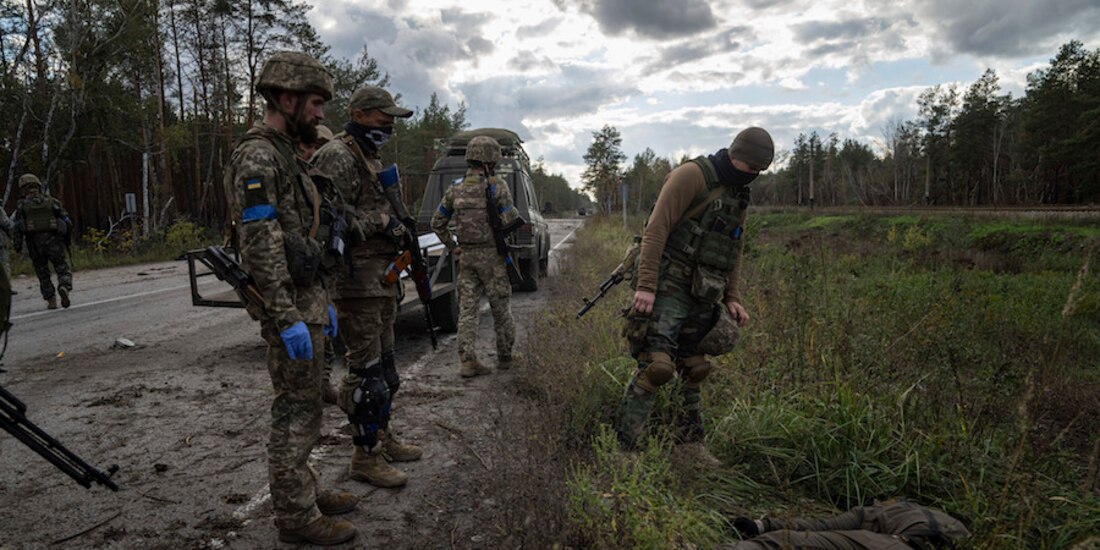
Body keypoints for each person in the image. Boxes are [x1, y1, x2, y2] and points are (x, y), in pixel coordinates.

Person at [223, 50, 356, 546]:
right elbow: (261, 241)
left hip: (306, 299)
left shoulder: (284, 154)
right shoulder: (259, 155)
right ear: (285, 97)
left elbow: (301, 235)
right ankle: (296, 517)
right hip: (289, 307)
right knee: (294, 412)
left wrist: (324, 303)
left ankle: (307, 491)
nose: (322, 114)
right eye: (315, 103)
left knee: (309, 408)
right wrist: (284, 315)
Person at [617, 128, 774, 454]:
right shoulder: (692, 175)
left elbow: (735, 247)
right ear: (736, 157)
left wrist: (733, 297)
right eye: (752, 169)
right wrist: (646, 287)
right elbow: (655, 230)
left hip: (704, 292)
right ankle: (626, 451)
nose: (754, 177)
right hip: (667, 284)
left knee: (695, 367)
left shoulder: (739, 191)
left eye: (760, 173)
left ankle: (689, 447)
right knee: (657, 367)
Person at [310, 85, 422, 489]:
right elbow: (324, 217)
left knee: (387, 373)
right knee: (366, 375)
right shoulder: (337, 156)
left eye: (392, 117)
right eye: (382, 116)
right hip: (356, 282)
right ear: (358, 114)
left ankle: (382, 436)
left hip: (382, 280)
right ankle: (364, 456)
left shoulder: (368, 155)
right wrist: (380, 222)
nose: (390, 124)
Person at [430, 135, 520, 377]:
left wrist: (452, 246)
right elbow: (512, 219)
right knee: (501, 307)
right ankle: (505, 357)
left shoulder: (455, 188)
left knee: (467, 310)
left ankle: (467, 361)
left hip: (467, 257)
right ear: (490, 160)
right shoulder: (497, 186)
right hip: (492, 257)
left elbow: (437, 222)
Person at [722, 498, 971, 549]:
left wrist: (764, 527)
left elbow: (818, 527)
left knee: (785, 543)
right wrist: (761, 525)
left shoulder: (872, 513)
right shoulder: (934, 516)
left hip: (904, 545)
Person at [12, 174, 72, 310]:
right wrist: (67, 240)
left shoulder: (22, 205)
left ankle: (51, 300)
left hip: (34, 244)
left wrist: (18, 247)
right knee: (62, 267)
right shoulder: (52, 202)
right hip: (54, 241)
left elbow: (18, 227)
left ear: (23, 188)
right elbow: (67, 222)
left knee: (42, 273)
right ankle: (64, 286)